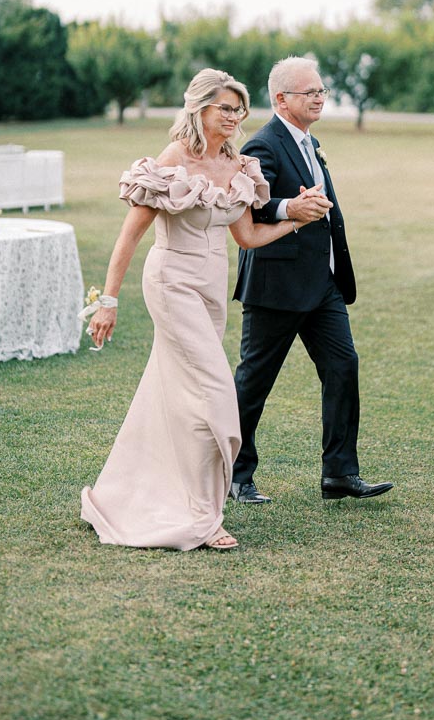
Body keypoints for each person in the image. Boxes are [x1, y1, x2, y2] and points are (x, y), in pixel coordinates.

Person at [80, 68, 326, 552]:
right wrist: (108, 301)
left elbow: (249, 236)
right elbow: (130, 237)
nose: (235, 117)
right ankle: (204, 515)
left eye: (239, 109)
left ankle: (127, 492)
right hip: (172, 283)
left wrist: (295, 219)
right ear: (200, 110)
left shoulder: (237, 165)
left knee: (184, 396)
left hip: (212, 290)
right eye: (225, 109)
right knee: (216, 393)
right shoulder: (171, 162)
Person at [230, 56, 393, 504]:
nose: (320, 98)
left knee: (343, 367)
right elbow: (251, 202)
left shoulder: (309, 142)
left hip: (323, 284)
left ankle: (339, 474)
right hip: (276, 285)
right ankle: (235, 474)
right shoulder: (262, 145)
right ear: (281, 99)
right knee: (253, 383)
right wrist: (289, 208)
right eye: (310, 92)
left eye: (322, 91)